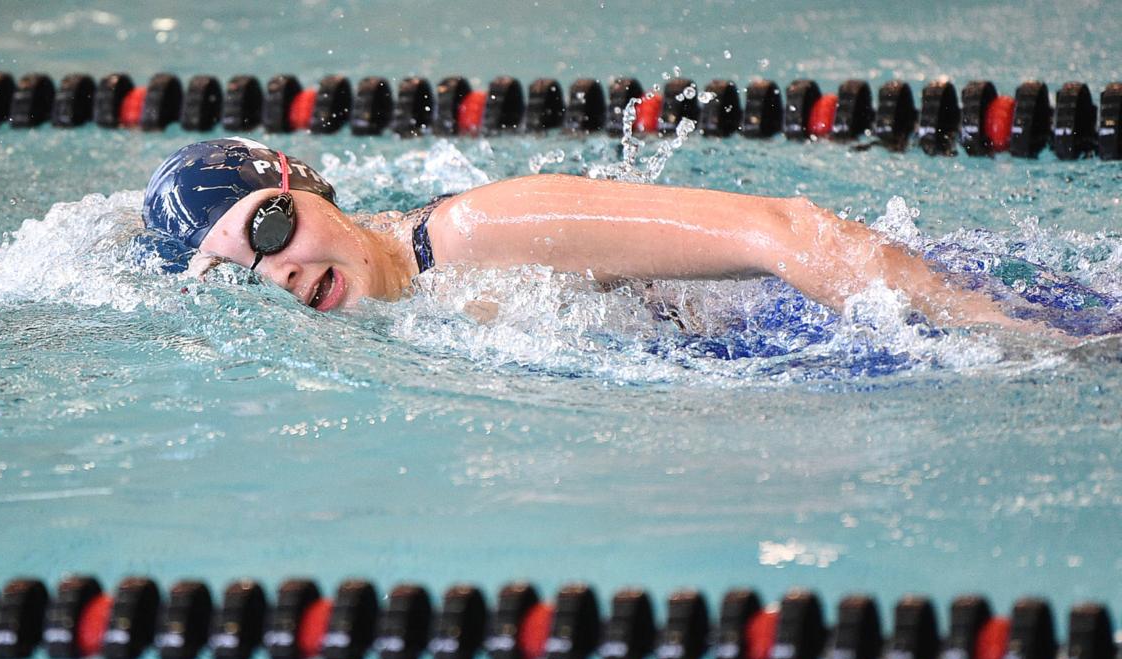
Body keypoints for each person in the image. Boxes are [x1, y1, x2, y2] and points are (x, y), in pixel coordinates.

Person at [139, 138, 1055, 335]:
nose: (281, 271)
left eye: (270, 226)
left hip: (894, 312)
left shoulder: (481, 229)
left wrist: (1003, 335)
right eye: (242, 272)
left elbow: (789, 231)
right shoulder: (399, 302)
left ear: (304, 182)